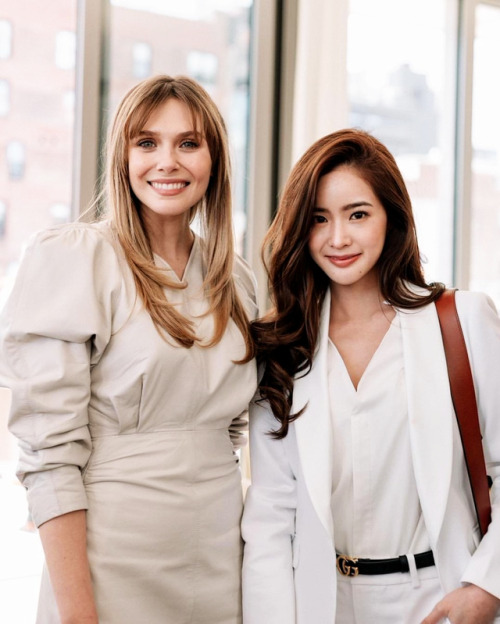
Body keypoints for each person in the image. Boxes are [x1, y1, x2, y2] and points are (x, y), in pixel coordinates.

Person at [0, 74, 258, 624]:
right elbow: (49, 458)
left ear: (214, 160)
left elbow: (234, 432)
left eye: (188, 143)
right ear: (122, 156)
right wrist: (77, 615)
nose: (167, 161)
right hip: (109, 560)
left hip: (220, 557)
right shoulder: (77, 260)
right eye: (147, 143)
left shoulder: (237, 282)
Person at [241, 129, 500, 624]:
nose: (338, 238)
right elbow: (271, 517)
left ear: (391, 217)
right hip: (323, 602)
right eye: (318, 219)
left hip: (442, 597)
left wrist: (486, 587)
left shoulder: (462, 321)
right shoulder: (282, 347)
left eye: (358, 214)